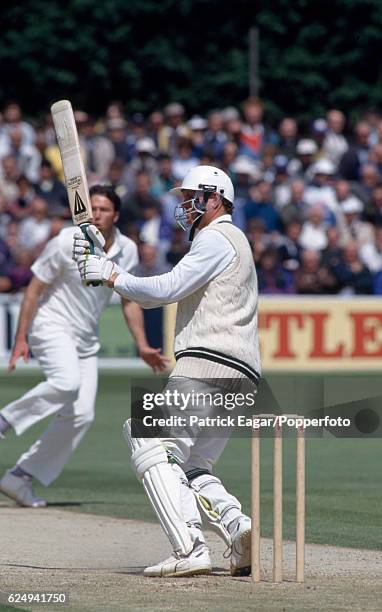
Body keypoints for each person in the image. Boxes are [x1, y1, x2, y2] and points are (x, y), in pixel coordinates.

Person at [73, 166, 261, 578]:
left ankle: (190, 547)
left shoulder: (217, 237)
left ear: (216, 198)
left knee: (148, 438)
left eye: (191, 197)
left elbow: (165, 290)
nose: (184, 206)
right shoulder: (235, 241)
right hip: (241, 372)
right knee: (192, 466)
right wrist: (109, 267)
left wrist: (110, 274)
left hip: (207, 360)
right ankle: (236, 525)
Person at [0, 185, 168, 507]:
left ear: (116, 215)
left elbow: (129, 300)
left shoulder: (128, 250)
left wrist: (144, 346)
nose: (96, 214)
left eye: (104, 209)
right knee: (67, 383)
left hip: (85, 339)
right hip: (51, 325)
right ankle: (5, 421)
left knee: (81, 415)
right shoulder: (65, 241)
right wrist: (21, 337)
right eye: (92, 208)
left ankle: (20, 477)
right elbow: (34, 290)